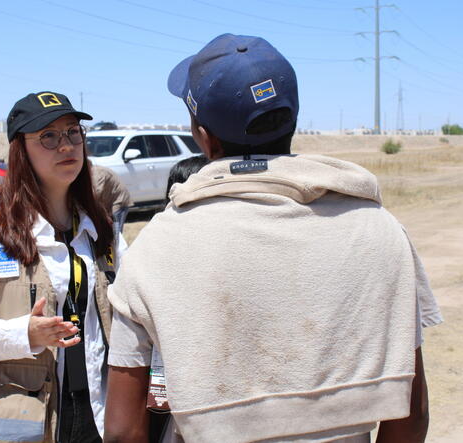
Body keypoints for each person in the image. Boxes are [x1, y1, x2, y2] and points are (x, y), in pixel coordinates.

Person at [104, 34, 442, 443]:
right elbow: (411, 412)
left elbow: (124, 430)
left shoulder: (156, 248)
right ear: (292, 121)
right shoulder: (382, 230)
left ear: (203, 135)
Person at [0, 91, 125, 443]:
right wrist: (22, 335)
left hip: (98, 413)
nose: (66, 146)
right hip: (21, 420)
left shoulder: (100, 228)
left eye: (73, 132)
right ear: (20, 150)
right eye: (48, 136)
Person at [90, 163, 132, 234]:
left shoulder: (96, 172)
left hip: (119, 201)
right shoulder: (94, 171)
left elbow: (96, 192)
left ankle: (118, 244)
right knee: (110, 231)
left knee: (116, 232)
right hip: (112, 203)